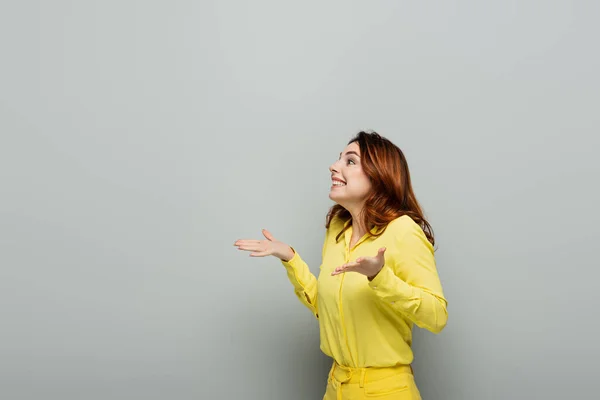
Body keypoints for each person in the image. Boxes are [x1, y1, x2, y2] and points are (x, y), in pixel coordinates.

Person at [234, 131, 448, 399]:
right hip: (336, 387)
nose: (333, 166)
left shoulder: (403, 231)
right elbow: (328, 309)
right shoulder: (338, 228)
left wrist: (380, 277)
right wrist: (290, 258)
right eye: (338, 159)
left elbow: (437, 316)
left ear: (378, 175)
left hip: (387, 390)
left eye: (350, 161)